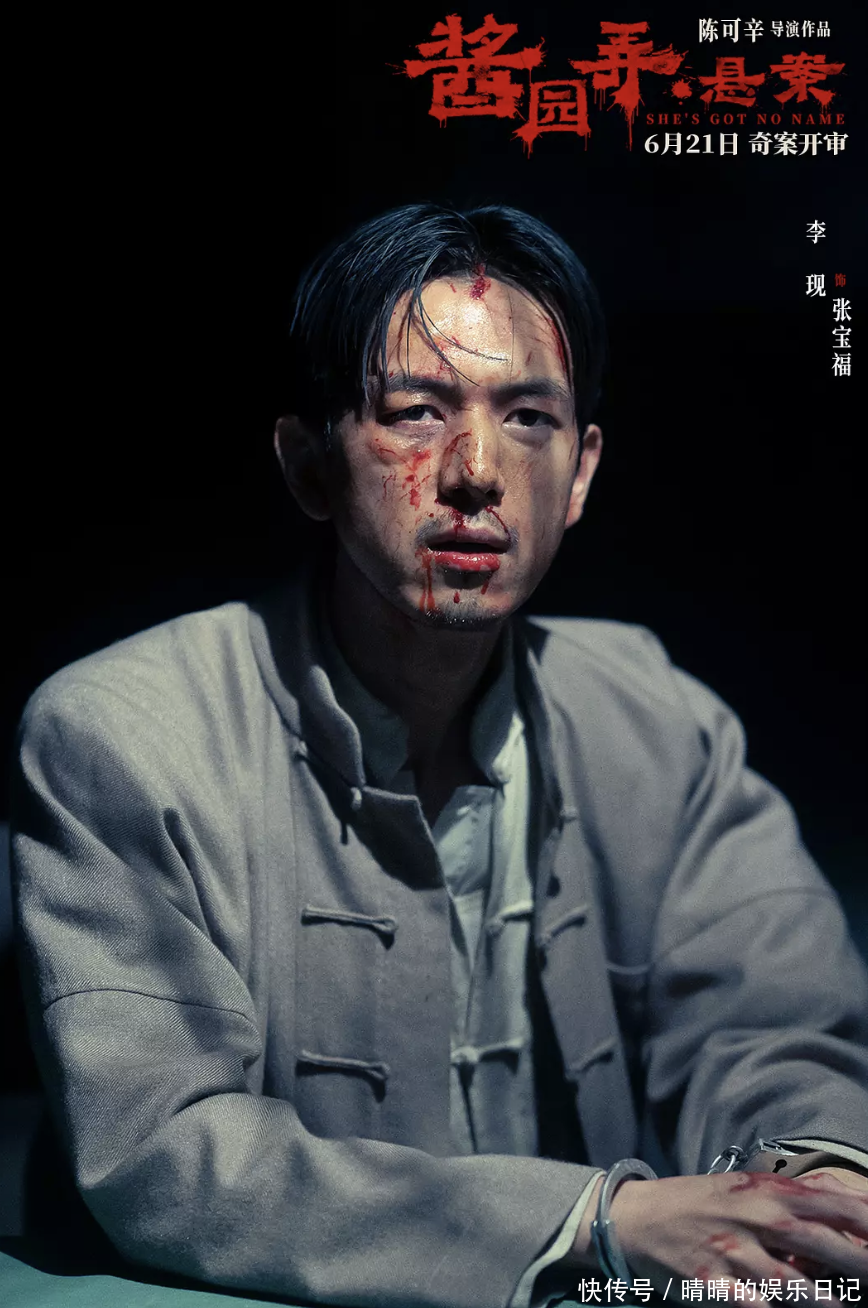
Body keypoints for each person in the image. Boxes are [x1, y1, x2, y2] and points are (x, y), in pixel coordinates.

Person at [11, 204, 868, 1308]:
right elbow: (163, 1150)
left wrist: (818, 1191)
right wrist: (598, 1223)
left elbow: (776, 1027)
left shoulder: (656, 719)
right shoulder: (123, 735)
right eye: (414, 412)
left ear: (580, 473)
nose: (475, 471)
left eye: (528, 417)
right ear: (308, 465)